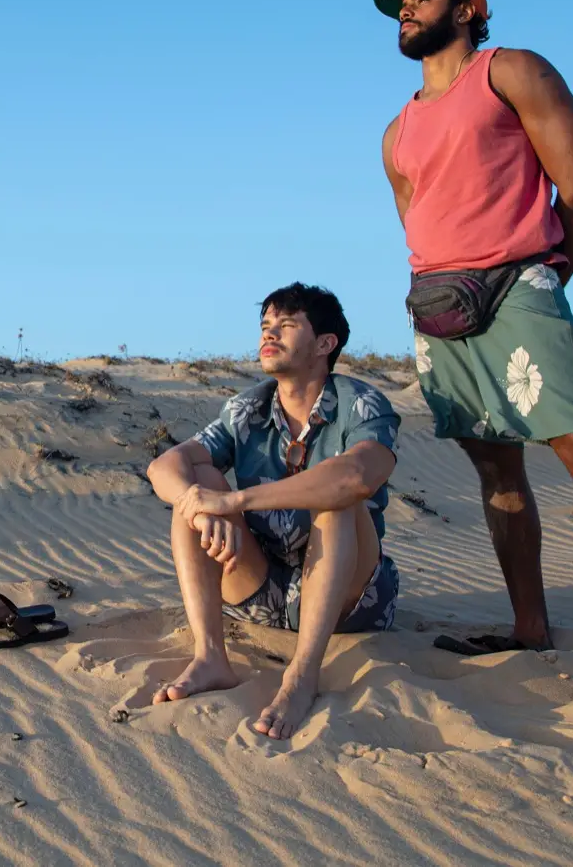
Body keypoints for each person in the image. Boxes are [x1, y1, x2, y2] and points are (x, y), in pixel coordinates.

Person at [371, 0, 573, 714]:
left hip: (520, 285)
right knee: (496, 474)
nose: (405, 13)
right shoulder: (397, 128)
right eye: (399, 7)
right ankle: (529, 626)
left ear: (467, 7)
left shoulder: (510, 70)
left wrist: (543, 283)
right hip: (440, 306)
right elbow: (416, 223)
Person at [146, 284, 401, 739]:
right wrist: (203, 511)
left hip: (350, 600)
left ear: (326, 344)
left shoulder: (361, 404)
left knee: (336, 496)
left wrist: (236, 501)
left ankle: (302, 677)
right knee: (196, 482)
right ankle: (209, 658)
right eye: (265, 326)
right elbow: (164, 466)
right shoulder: (248, 408)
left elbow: (361, 475)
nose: (269, 335)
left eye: (286, 326)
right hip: (261, 590)